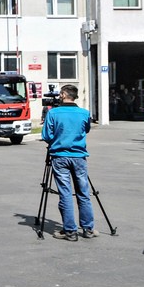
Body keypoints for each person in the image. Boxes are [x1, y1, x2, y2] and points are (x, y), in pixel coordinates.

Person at [41, 84, 96, 241]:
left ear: (64, 95)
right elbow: (85, 130)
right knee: (83, 193)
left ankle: (70, 231)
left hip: (60, 156)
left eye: (60, 94)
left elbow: (46, 135)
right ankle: (88, 229)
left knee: (65, 193)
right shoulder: (84, 113)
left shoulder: (53, 113)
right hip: (79, 156)